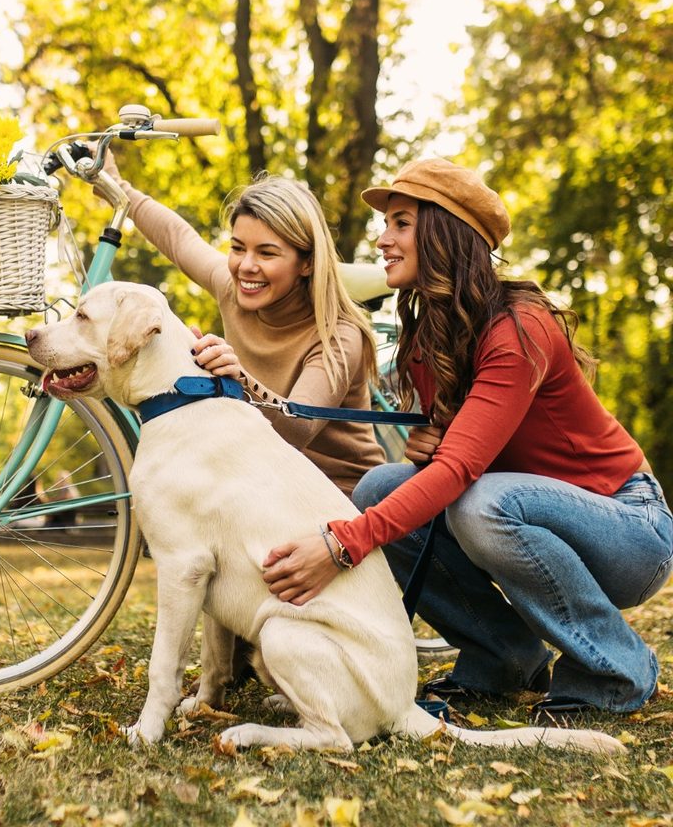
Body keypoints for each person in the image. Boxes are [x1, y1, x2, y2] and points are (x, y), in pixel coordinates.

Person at [260, 157, 671, 723]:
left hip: (631, 528)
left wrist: (341, 545)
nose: (383, 240)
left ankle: (617, 668)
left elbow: (459, 473)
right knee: (382, 485)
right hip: (539, 514)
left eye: (401, 223)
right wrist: (436, 441)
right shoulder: (432, 332)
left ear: (445, 233)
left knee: (481, 504)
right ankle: (503, 660)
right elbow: (458, 454)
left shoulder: (519, 327)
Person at [101, 151, 385, 493]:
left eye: (267, 253)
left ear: (306, 263)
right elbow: (178, 238)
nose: (246, 266)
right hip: (264, 486)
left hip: (340, 497)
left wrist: (239, 379)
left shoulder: (338, 334)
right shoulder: (233, 289)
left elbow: (297, 430)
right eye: (238, 248)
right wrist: (116, 186)